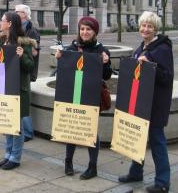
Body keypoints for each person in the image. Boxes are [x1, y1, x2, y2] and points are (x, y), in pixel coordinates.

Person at [118, 11, 173, 193]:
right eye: (143, 25)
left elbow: (167, 77)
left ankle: (163, 182)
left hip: (155, 105)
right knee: (137, 140)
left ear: (155, 28)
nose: (145, 29)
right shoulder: (141, 47)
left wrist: (149, 64)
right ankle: (136, 173)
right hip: (140, 102)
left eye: (149, 26)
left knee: (157, 142)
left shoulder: (162, 49)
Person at [55, 16, 112, 180]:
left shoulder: (101, 50)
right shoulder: (72, 48)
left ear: (94, 32)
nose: (85, 32)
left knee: (90, 130)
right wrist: (60, 57)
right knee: (72, 128)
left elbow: (106, 76)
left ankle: (92, 166)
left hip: (91, 96)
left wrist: (106, 63)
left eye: (88, 29)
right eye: (82, 29)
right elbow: (64, 72)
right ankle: (68, 162)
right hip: (73, 94)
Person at [0, 12, 35, 170]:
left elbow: (30, 66)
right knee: (7, 123)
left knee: (16, 125)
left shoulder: (23, 43)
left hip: (18, 89)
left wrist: (22, 57)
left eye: (2, 20)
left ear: (10, 23)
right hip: (3, 87)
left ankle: (15, 157)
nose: (0, 22)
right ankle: (8, 154)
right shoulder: (0, 40)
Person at [15, 4, 40, 142]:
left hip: (27, 69)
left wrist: (25, 51)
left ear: (24, 14)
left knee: (25, 102)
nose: (15, 13)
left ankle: (28, 132)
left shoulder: (31, 30)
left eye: (17, 12)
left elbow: (35, 52)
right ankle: (20, 128)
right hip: (19, 68)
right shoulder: (20, 29)